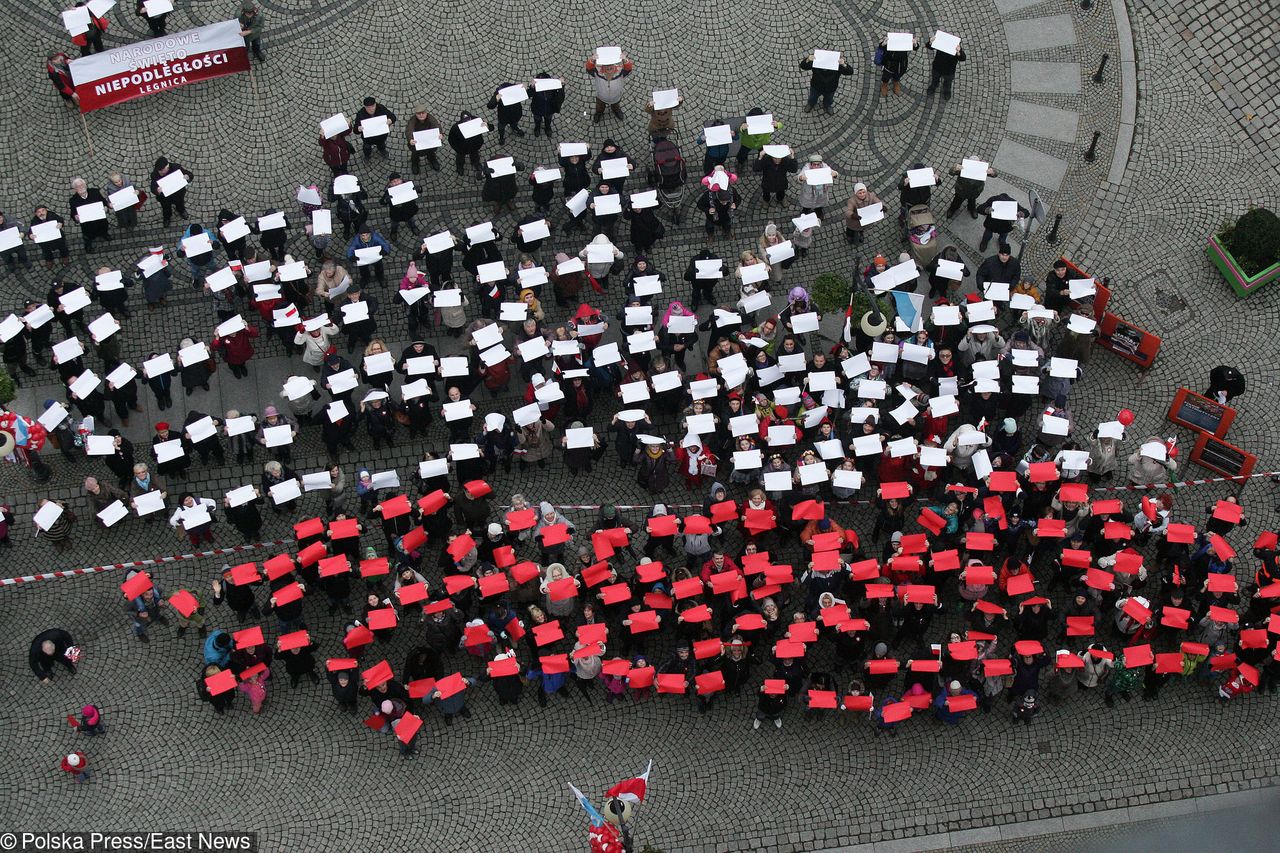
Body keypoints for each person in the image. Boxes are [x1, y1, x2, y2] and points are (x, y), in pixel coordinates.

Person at [584, 49, 634, 123]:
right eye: (606, 66)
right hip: (601, 96)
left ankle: (616, 111)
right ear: (603, 66)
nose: (609, 67)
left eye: (611, 65)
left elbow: (628, 68)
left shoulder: (620, 72)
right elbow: (589, 68)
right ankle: (599, 113)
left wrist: (625, 60)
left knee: (616, 105)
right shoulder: (597, 72)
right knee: (599, 107)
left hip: (616, 95)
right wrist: (592, 60)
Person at [149, 158, 193, 227]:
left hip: (178, 194)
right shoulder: (155, 174)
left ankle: (181, 211)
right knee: (166, 209)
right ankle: (167, 218)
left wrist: (187, 176)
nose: (160, 173)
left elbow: (189, 174)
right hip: (165, 198)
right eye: (159, 171)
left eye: (162, 171)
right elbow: (152, 187)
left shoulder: (176, 168)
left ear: (167, 167)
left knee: (180, 204)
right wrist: (157, 190)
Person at [926, 35, 967, 100]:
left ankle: (947, 91)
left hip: (949, 71)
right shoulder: (941, 45)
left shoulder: (956, 49)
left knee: (948, 83)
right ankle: (934, 86)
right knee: (935, 79)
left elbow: (963, 58)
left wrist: (959, 52)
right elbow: (929, 46)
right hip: (937, 67)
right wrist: (931, 42)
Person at [405, 105, 442, 174]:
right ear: (416, 114)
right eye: (419, 114)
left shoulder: (431, 118)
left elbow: (437, 125)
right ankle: (415, 163)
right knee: (415, 155)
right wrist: (410, 139)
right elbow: (409, 129)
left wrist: (439, 133)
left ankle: (432, 160)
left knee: (431, 153)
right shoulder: (413, 120)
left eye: (423, 113)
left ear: (426, 113)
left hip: (429, 143)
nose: (421, 115)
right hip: (416, 144)